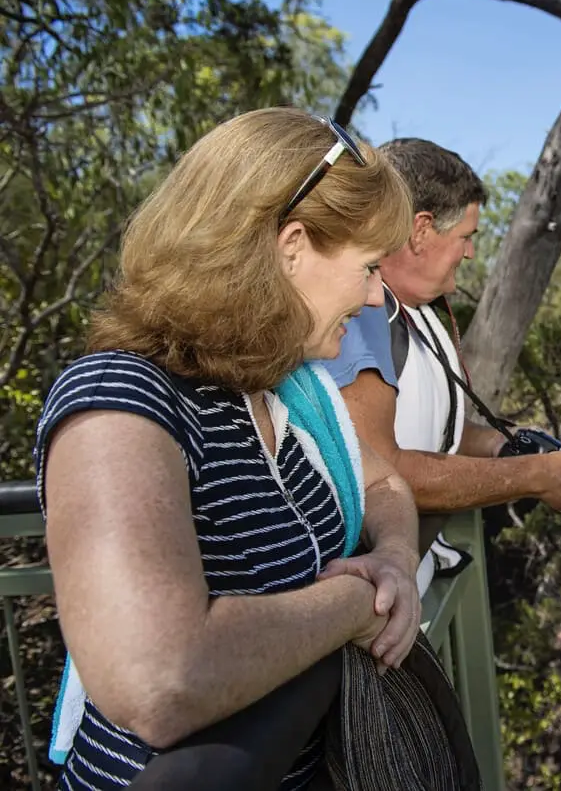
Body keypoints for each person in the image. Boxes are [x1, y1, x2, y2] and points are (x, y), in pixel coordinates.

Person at [36, 107, 423, 790]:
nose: (373, 298)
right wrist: (357, 606)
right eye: (366, 268)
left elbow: (384, 485)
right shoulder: (121, 401)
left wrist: (392, 558)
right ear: (291, 247)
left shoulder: (283, 386)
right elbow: (160, 678)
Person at [321, 138, 561, 565]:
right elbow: (380, 472)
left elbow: (423, 429)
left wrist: (501, 444)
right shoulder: (360, 316)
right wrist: (536, 476)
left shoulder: (414, 311)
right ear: (421, 230)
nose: (471, 251)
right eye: (465, 236)